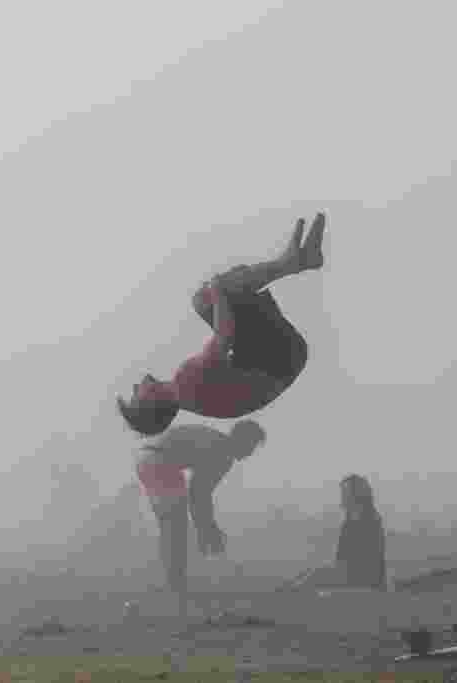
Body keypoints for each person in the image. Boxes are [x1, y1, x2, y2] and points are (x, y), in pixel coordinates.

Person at [117, 213, 327, 436]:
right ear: (150, 402)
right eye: (135, 396)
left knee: (225, 294)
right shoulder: (185, 383)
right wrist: (218, 289)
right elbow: (224, 336)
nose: (135, 387)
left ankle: (292, 262)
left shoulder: (191, 398)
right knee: (206, 298)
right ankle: (292, 262)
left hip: (281, 361)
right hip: (278, 358)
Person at [133, 420, 266, 589]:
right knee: (175, 526)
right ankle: (177, 584)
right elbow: (199, 494)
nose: (250, 453)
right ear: (243, 440)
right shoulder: (222, 452)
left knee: (171, 525)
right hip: (160, 462)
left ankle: (174, 580)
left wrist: (206, 528)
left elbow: (198, 494)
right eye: (252, 446)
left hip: (146, 458)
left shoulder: (217, 443)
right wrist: (207, 529)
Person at [336, 474, 387, 590]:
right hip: (346, 581)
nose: (342, 498)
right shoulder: (347, 525)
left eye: (345, 493)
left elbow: (372, 567)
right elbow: (340, 560)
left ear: (356, 495)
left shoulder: (372, 523)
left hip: (364, 586)